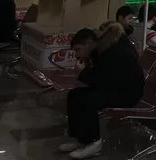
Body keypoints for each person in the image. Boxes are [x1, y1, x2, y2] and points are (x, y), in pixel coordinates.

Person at [61, 24, 144, 158]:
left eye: (78, 49)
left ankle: (94, 143)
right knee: (74, 95)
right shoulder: (101, 50)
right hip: (115, 88)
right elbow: (103, 79)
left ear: (89, 43)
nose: (76, 54)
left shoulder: (110, 52)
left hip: (127, 94)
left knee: (88, 100)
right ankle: (82, 139)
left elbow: (101, 80)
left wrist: (82, 72)